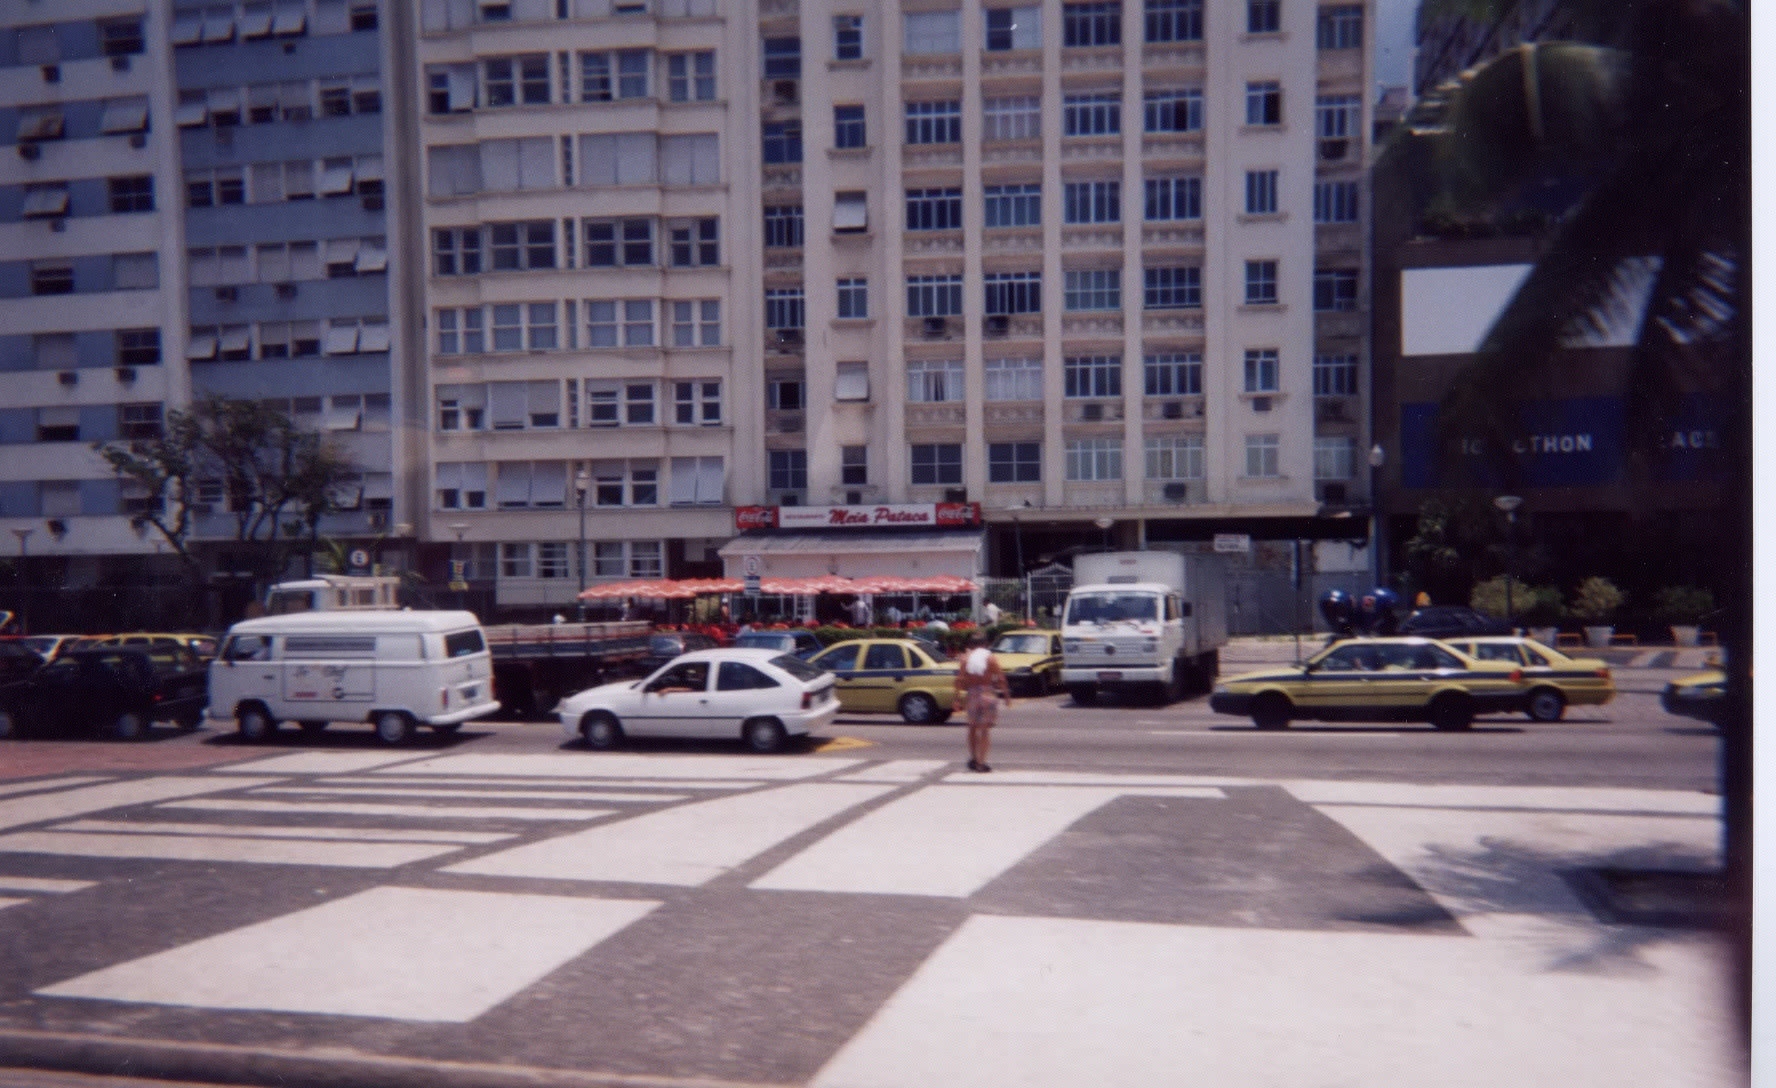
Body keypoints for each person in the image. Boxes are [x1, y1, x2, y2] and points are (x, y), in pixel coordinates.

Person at [953, 632, 1011, 773]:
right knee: (984, 730)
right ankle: (981, 762)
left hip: (972, 694)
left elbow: (959, 680)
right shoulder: (990, 658)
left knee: (972, 728)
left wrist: (956, 699)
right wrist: (1007, 696)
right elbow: (1001, 678)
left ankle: (973, 758)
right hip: (987, 694)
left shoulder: (965, 659)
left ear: (971, 645)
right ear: (985, 644)